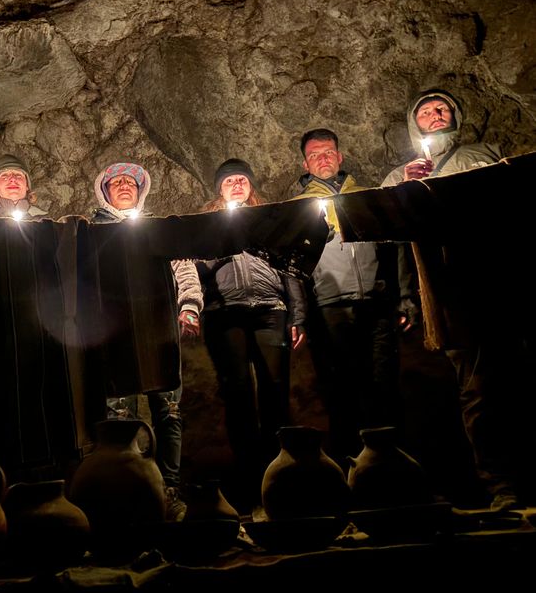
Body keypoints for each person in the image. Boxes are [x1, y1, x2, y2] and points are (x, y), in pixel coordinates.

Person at [380, 89, 526, 512]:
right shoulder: (405, 173)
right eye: (425, 112)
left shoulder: (484, 154)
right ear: (416, 126)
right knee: (476, 388)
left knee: (518, 379)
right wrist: (408, 186)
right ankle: (500, 485)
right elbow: (384, 219)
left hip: (500, 282)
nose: (435, 114)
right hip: (449, 294)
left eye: (442, 108)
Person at [195, 158, 308, 515]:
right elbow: (196, 266)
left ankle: (280, 475)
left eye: (242, 179)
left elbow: (290, 267)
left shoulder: (269, 219)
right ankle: (248, 479)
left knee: (276, 387)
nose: (237, 185)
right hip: (224, 312)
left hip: (269, 310)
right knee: (238, 392)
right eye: (230, 181)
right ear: (219, 189)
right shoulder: (207, 223)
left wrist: (298, 313)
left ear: (251, 185)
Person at [90, 161, 202, 521]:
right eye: (117, 182)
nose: (125, 186)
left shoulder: (159, 229)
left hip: (159, 331)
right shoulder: (94, 231)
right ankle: (130, 490)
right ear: (105, 192)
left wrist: (189, 307)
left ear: (141, 190)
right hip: (115, 336)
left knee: (168, 412)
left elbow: (184, 268)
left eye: (131, 183)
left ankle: (168, 490)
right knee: (120, 416)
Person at [291, 129, 406, 469]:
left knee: (384, 383)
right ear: (305, 163)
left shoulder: (364, 195)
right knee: (343, 386)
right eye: (315, 155)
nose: (323, 158)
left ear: (340, 156)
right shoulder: (299, 207)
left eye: (328, 152)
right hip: (331, 305)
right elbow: (294, 264)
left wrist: (403, 296)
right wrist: (301, 315)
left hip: (376, 300)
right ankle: (351, 469)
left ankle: (390, 468)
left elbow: (392, 245)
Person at [0, 154, 48, 220]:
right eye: (4, 175)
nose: (13, 179)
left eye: (18, 175)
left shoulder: (47, 222)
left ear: (27, 186)